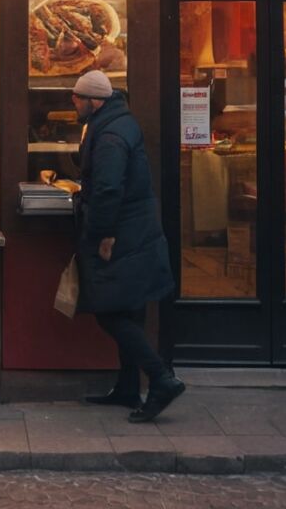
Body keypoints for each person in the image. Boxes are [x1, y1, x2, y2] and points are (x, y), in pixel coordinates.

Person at [70, 69, 185, 423]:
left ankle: (162, 379)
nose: (73, 103)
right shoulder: (115, 122)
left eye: (77, 98)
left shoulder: (110, 136)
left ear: (94, 100)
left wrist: (103, 235)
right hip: (136, 231)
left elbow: (108, 188)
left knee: (109, 310)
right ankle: (127, 387)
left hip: (122, 234)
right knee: (129, 308)